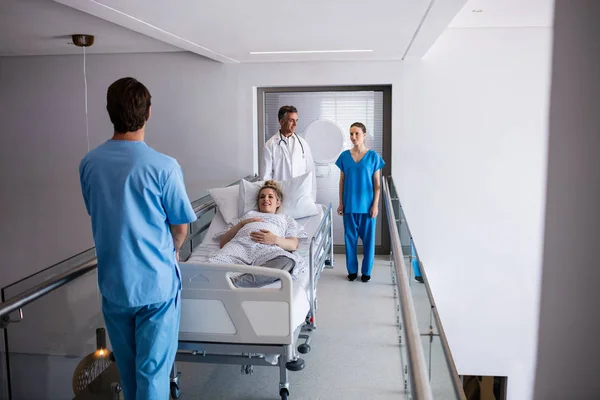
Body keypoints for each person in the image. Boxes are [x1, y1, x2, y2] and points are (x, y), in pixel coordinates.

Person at [79, 77, 197, 400]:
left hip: (115, 285)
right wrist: (170, 250)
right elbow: (181, 227)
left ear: (109, 112)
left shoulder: (89, 164)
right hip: (156, 287)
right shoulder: (164, 167)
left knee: (130, 375)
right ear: (148, 113)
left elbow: (98, 212)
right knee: (153, 376)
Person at [210, 180, 305, 287]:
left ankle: (235, 283)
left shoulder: (286, 219)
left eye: (270, 197)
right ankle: (236, 282)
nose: (266, 199)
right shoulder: (247, 216)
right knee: (212, 265)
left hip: (266, 249)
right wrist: (241, 224)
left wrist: (274, 239)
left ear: (278, 203)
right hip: (239, 246)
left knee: (287, 261)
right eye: (262, 197)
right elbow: (223, 243)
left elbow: (293, 244)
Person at [335, 122, 385, 282]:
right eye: (351, 134)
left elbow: (377, 184)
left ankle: (366, 272)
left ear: (364, 135)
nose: (353, 137)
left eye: (356, 133)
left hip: (368, 207)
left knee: (369, 241)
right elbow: (342, 181)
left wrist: (375, 205)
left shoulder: (373, 157)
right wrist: (341, 203)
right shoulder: (344, 156)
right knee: (350, 239)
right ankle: (351, 271)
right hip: (349, 205)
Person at [261, 105, 317, 200]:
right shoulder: (270, 145)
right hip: (279, 196)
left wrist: (312, 198)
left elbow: (310, 173)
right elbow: (266, 177)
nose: (295, 124)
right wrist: (271, 199)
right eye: (291, 120)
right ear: (281, 121)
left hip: (300, 196)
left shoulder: (303, 144)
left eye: (296, 120)